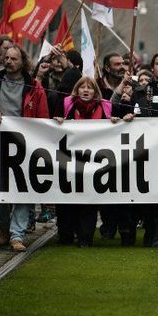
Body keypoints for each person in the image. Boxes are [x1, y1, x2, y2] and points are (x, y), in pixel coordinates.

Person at [0, 46, 49, 251]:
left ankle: (17, 234)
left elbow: (42, 117)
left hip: (25, 146)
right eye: (5, 58)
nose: (9, 61)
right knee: (0, 189)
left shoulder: (34, 86)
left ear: (22, 61)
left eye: (13, 58)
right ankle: (4, 227)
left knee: (23, 189)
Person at [116, 52, 158, 248]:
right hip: (144, 153)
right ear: (153, 67)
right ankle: (150, 234)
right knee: (146, 198)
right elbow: (122, 112)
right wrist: (126, 111)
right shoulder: (139, 92)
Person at [53, 77, 113, 247]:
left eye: (90, 88)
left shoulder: (105, 107)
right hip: (68, 162)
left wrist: (116, 122)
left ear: (96, 92)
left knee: (89, 201)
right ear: (76, 90)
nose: (86, 90)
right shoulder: (66, 104)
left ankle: (85, 237)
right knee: (66, 200)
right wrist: (57, 121)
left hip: (94, 163)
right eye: (82, 87)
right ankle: (65, 235)